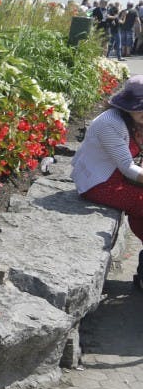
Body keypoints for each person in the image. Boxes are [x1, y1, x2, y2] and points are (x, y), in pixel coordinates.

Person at [72, 75, 143, 281]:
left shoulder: (133, 121)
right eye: (139, 107)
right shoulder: (110, 123)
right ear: (127, 106)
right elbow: (128, 168)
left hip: (118, 177)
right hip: (100, 183)